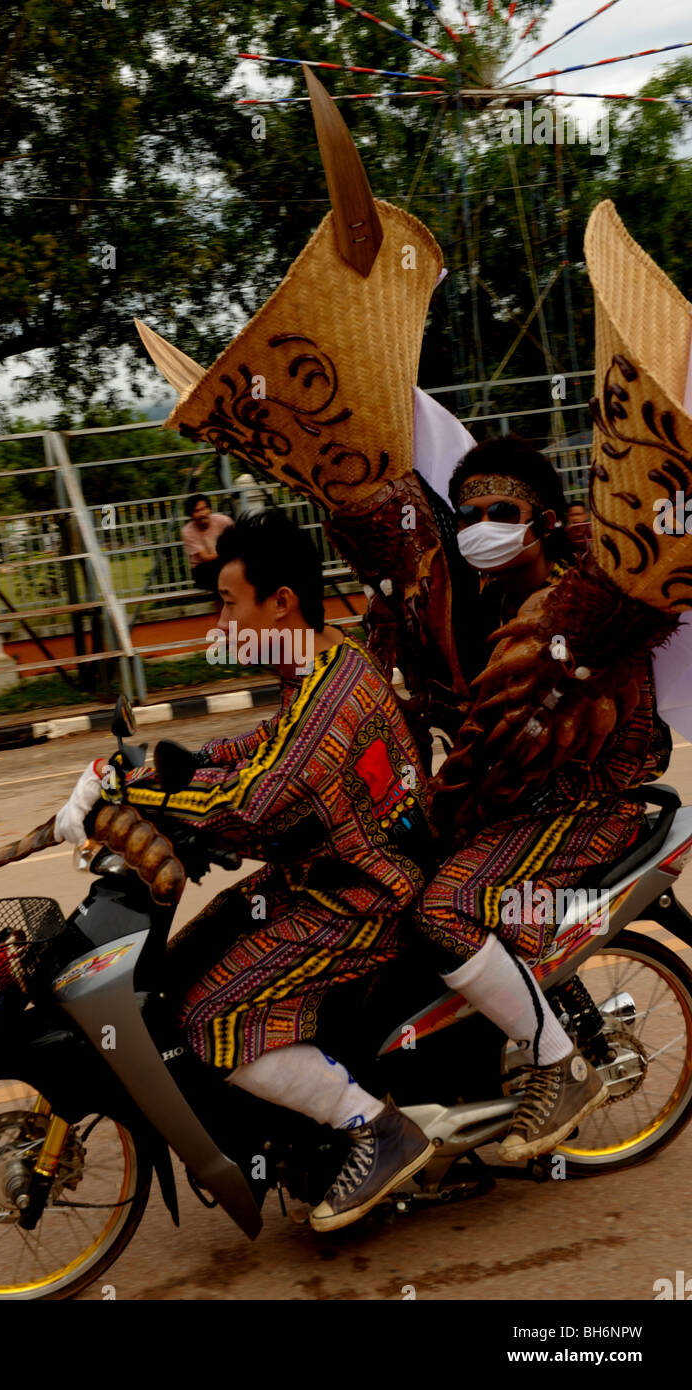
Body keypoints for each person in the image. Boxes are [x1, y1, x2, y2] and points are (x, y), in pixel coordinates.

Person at [54, 510, 438, 1232]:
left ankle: (375, 1129)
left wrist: (120, 790)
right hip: (322, 875)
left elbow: (255, 803)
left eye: (230, 604)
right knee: (181, 963)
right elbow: (261, 748)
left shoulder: (328, 699)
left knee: (207, 1016)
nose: (222, 621)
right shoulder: (318, 660)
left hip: (365, 896)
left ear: (280, 603)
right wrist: (177, 763)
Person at [412, 435, 672, 1161]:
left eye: (500, 511)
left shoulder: (561, 614)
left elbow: (492, 754)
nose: (480, 528)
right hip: (526, 807)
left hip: (583, 812)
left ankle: (560, 1063)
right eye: (466, 516)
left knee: (439, 912)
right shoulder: (493, 601)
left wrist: (437, 815)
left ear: (546, 523)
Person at [180, 494, 233, 593]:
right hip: (203, 569)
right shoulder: (187, 531)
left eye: (204, 509)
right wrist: (227, 553)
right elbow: (205, 557)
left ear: (209, 509)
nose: (202, 514)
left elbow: (237, 542)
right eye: (197, 511)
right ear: (191, 515)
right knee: (222, 576)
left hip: (225, 564)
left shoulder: (224, 521)